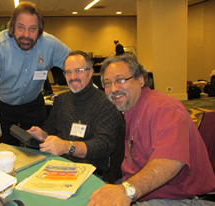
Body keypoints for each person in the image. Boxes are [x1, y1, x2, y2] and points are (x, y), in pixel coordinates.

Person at [88, 53, 215, 206]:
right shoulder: (130, 109)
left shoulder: (164, 108)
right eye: (107, 83)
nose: (113, 89)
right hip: (146, 191)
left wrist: (127, 190)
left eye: (120, 80)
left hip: (181, 197)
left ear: (140, 79)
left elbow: (170, 161)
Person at [0, 2, 70, 146]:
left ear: (39, 30)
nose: (26, 35)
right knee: (4, 149)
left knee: (40, 149)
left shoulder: (49, 44)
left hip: (33, 104)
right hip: (4, 105)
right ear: (12, 26)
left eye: (32, 29)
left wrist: (92, 95)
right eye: (21, 28)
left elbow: (76, 65)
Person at [28, 51, 125, 180]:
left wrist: (66, 147)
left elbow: (103, 145)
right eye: (68, 72)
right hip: (56, 165)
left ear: (90, 73)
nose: (73, 76)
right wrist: (43, 134)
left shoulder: (105, 103)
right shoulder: (61, 100)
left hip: (90, 173)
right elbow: (50, 129)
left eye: (79, 70)